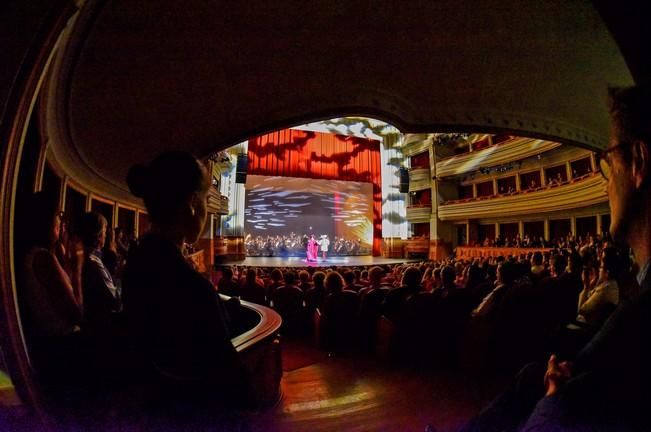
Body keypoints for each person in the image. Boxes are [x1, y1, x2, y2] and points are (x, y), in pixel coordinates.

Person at [461, 83, 651, 431]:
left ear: (638, 163)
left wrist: (555, 400)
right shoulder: (634, 300)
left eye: (607, 162)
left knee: (534, 376)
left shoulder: (637, 316)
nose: (605, 183)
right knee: (532, 374)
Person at [122, 151, 254, 412]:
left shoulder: (139, 261)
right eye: (206, 199)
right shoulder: (190, 285)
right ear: (193, 203)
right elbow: (231, 379)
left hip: (159, 405)